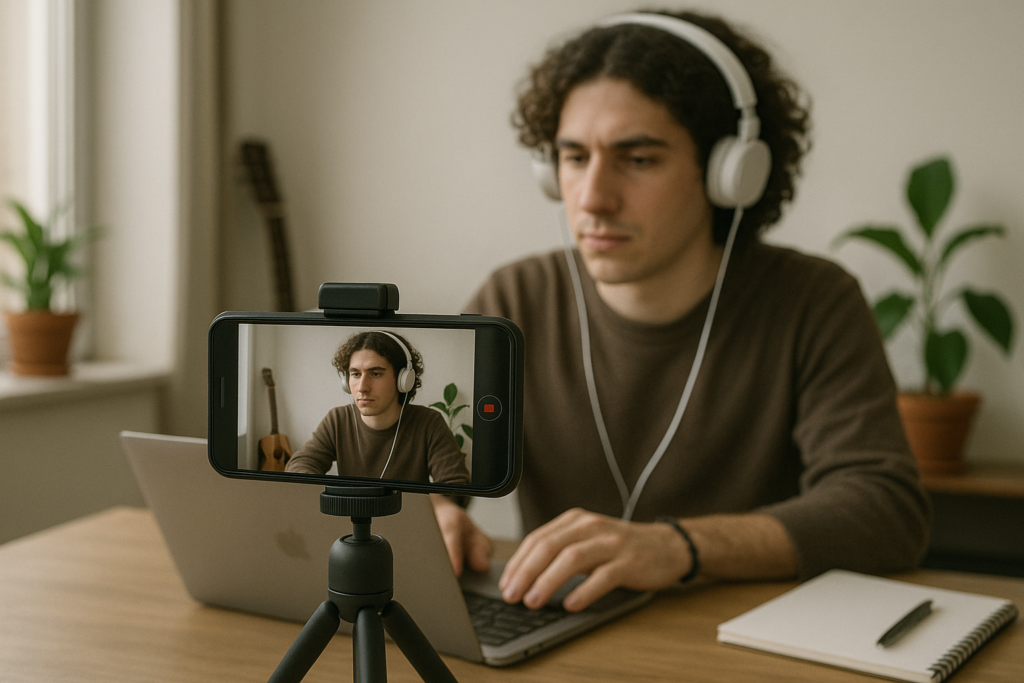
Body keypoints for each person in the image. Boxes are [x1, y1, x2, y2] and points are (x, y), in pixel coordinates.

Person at [431, 9, 930, 614]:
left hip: (742, 644)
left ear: (730, 174)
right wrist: (429, 514)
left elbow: (884, 508)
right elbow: (419, 468)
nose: (592, 199)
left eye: (638, 159)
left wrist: (681, 547)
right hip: (556, 635)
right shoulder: (512, 302)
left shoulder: (812, 302)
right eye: (573, 158)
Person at [286, 330, 471, 485]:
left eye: (375, 374)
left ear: (403, 380)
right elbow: (301, 463)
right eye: (356, 374)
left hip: (406, 524)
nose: (362, 387)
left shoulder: (428, 422)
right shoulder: (338, 419)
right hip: (351, 525)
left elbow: (455, 484)